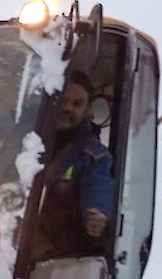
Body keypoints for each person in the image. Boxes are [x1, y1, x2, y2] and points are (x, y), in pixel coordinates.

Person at [41, 71, 117, 250]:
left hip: (52, 242)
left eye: (77, 104)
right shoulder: (11, 132)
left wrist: (98, 214)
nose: (68, 108)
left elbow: (99, 186)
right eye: (62, 100)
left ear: (88, 109)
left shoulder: (94, 156)